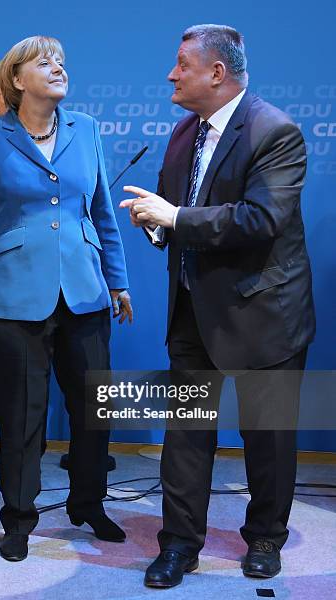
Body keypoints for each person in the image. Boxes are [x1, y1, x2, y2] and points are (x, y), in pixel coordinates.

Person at [120, 24, 315, 587]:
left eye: (182, 64)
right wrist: (158, 227)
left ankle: (265, 539)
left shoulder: (274, 131)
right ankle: (180, 544)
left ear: (216, 73)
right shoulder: (185, 132)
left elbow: (261, 220)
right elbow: (174, 209)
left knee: (267, 436)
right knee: (186, 434)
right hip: (193, 311)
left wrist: (174, 219)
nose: (171, 74)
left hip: (265, 313)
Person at [0, 35, 133, 562]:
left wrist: (116, 281)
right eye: (43, 61)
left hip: (85, 292)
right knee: (23, 417)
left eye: (60, 61)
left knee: (95, 411)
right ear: (16, 79)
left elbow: (102, 212)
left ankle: (89, 503)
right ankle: (19, 520)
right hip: (11, 297)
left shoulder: (87, 129)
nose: (56, 67)